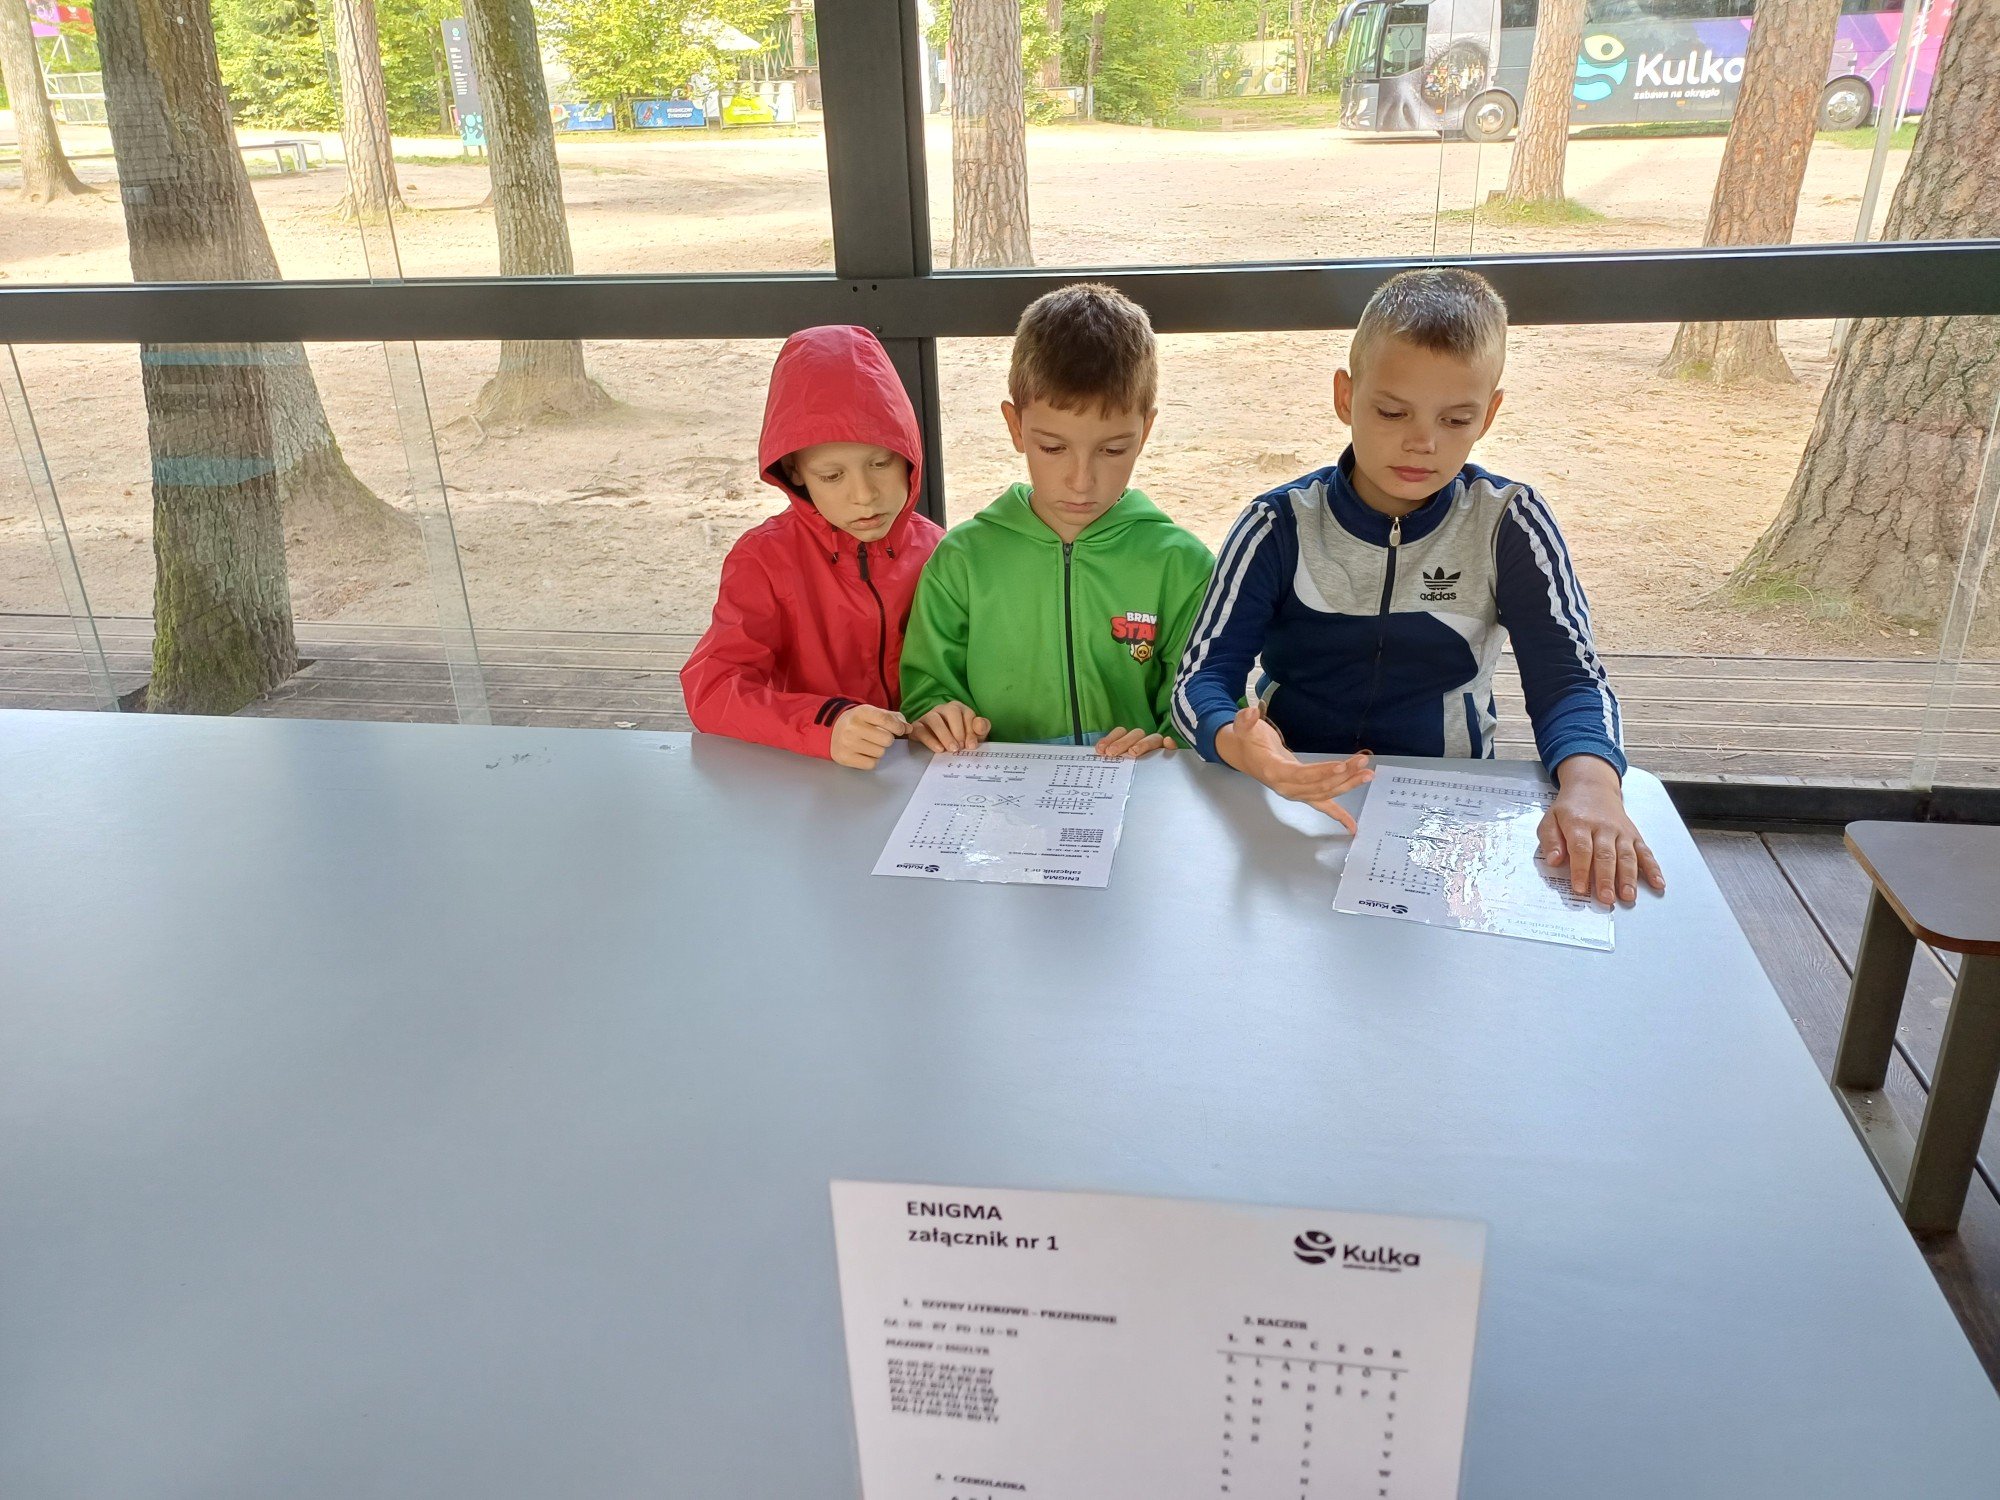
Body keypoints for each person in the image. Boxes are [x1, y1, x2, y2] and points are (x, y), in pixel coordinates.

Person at [1171, 267, 1665, 906]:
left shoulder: (1509, 523)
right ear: (1345, 396)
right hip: (1292, 798)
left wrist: (1593, 786)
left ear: (1489, 414)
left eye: (1456, 419)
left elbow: (1571, 680)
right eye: (1391, 411)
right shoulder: (1278, 524)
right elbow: (1200, 679)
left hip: (1452, 804)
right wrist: (1241, 745)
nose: (1422, 443)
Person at [899, 284, 1214, 757]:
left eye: (1113, 450)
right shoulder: (961, 560)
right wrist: (938, 716)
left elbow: (1206, 697)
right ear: (1015, 427)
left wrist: (1170, 743)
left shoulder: (1182, 565)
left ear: (1145, 431)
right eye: (1052, 448)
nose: (1081, 482)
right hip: (992, 788)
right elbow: (927, 689)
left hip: (1135, 786)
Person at [680, 325, 941, 768]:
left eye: (881, 463)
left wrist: (947, 707)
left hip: (921, 773)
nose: (864, 495)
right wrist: (825, 724)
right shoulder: (764, 560)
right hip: (809, 772)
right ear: (793, 471)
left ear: (909, 454)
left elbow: (968, 669)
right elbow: (713, 688)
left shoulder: (941, 551)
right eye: (832, 475)